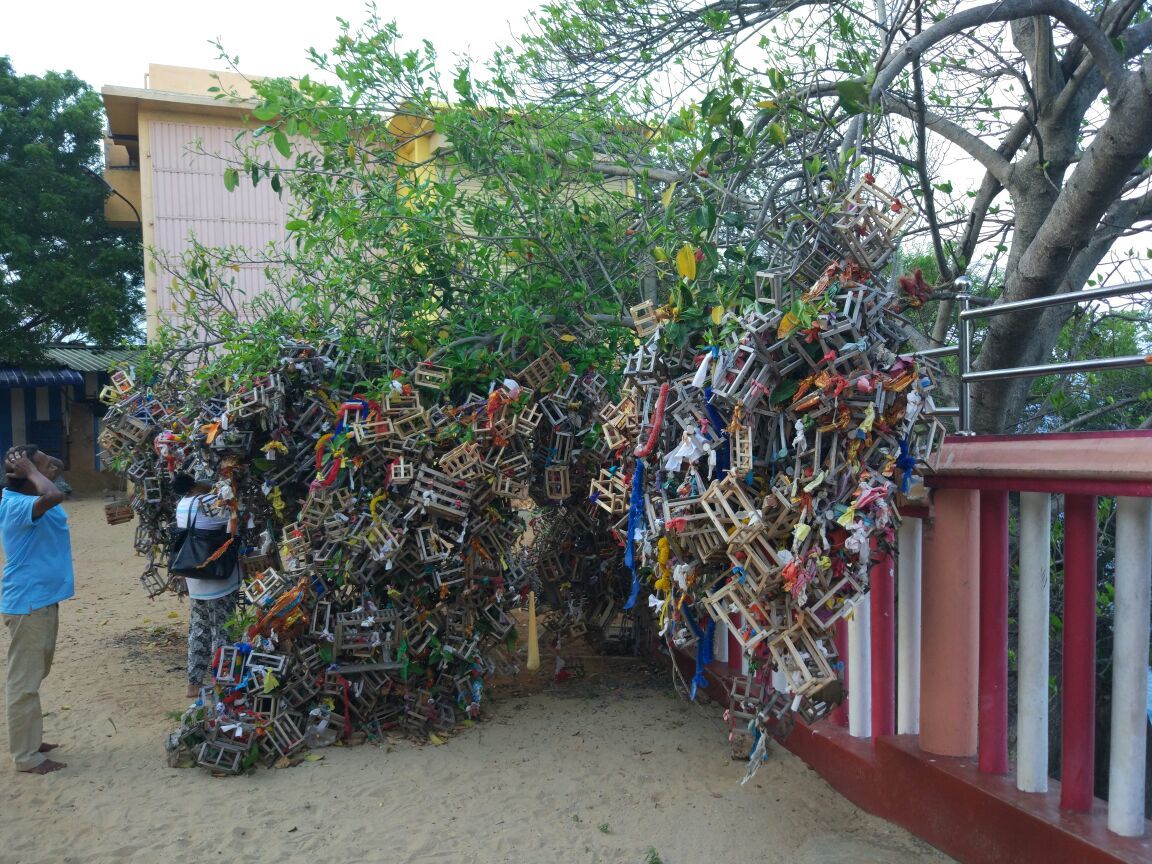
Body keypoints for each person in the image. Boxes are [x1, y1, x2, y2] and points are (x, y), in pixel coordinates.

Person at [0, 444, 72, 775]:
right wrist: (30, 469)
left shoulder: (31, 497)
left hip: (41, 600)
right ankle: (26, 757)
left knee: (35, 675)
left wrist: (37, 461)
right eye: (41, 469)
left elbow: (59, 464)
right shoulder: (18, 506)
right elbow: (54, 495)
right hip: (28, 603)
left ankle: (30, 740)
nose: (50, 470)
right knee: (23, 683)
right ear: (28, 478)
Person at [173, 473, 240, 698]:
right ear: (194, 485)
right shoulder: (209, 502)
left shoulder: (181, 505)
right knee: (223, 628)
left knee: (198, 629)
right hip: (218, 576)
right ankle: (222, 681)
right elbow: (232, 522)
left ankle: (193, 683)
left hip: (195, 579)